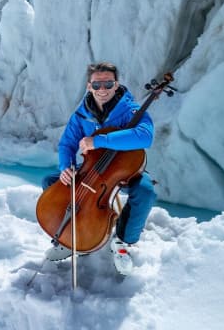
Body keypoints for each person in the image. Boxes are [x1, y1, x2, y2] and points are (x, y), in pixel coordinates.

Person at [41, 61, 157, 274]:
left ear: (116, 84)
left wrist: (99, 141)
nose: (102, 89)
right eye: (96, 85)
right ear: (89, 86)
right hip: (93, 169)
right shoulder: (82, 114)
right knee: (52, 182)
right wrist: (66, 167)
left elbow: (145, 136)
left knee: (145, 191)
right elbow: (67, 144)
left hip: (124, 169)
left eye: (108, 84)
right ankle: (70, 237)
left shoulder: (130, 110)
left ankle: (122, 242)